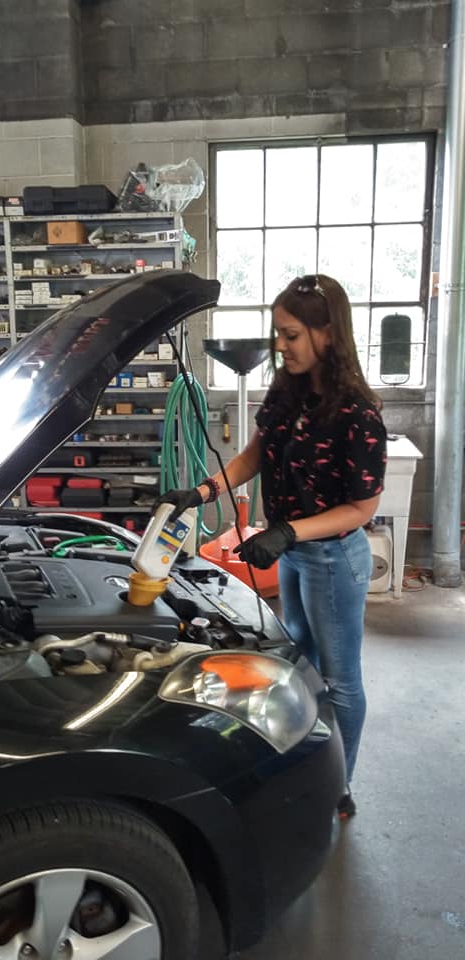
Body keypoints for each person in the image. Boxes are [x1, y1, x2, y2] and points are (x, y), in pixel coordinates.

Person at [156, 273, 387, 818]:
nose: (280, 346)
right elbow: (253, 456)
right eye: (277, 334)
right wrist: (202, 491)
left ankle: (340, 785)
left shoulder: (358, 413)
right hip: (295, 553)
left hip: (333, 559)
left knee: (340, 680)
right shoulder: (287, 391)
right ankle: (306, 770)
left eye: (291, 335)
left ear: (328, 334)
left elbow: (362, 509)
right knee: (298, 662)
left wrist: (289, 531)